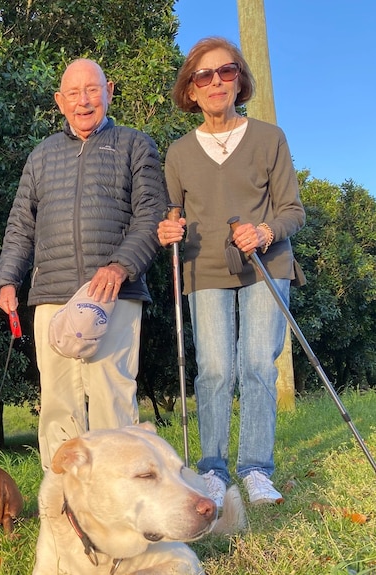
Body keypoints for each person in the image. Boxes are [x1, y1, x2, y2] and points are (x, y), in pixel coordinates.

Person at [0, 58, 166, 471]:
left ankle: (121, 508)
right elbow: (21, 224)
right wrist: (7, 280)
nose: (84, 101)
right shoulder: (42, 155)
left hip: (115, 295)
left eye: (92, 90)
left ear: (109, 91)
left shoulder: (135, 144)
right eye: (73, 93)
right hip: (52, 295)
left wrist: (120, 266)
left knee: (113, 403)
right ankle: (64, 507)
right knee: (57, 405)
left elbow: (152, 215)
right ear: (60, 101)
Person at [157, 37, 305, 507]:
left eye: (226, 72)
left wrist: (264, 231)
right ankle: (213, 471)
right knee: (215, 370)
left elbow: (293, 211)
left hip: (266, 263)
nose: (216, 82)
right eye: (204, 76)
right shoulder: (179, 153)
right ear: (191, 90)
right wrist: (168, 229)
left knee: (259, 366)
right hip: (205, 268)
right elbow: (173, 214)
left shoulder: (269, 138)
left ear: (239, 79)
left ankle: (257, 470)